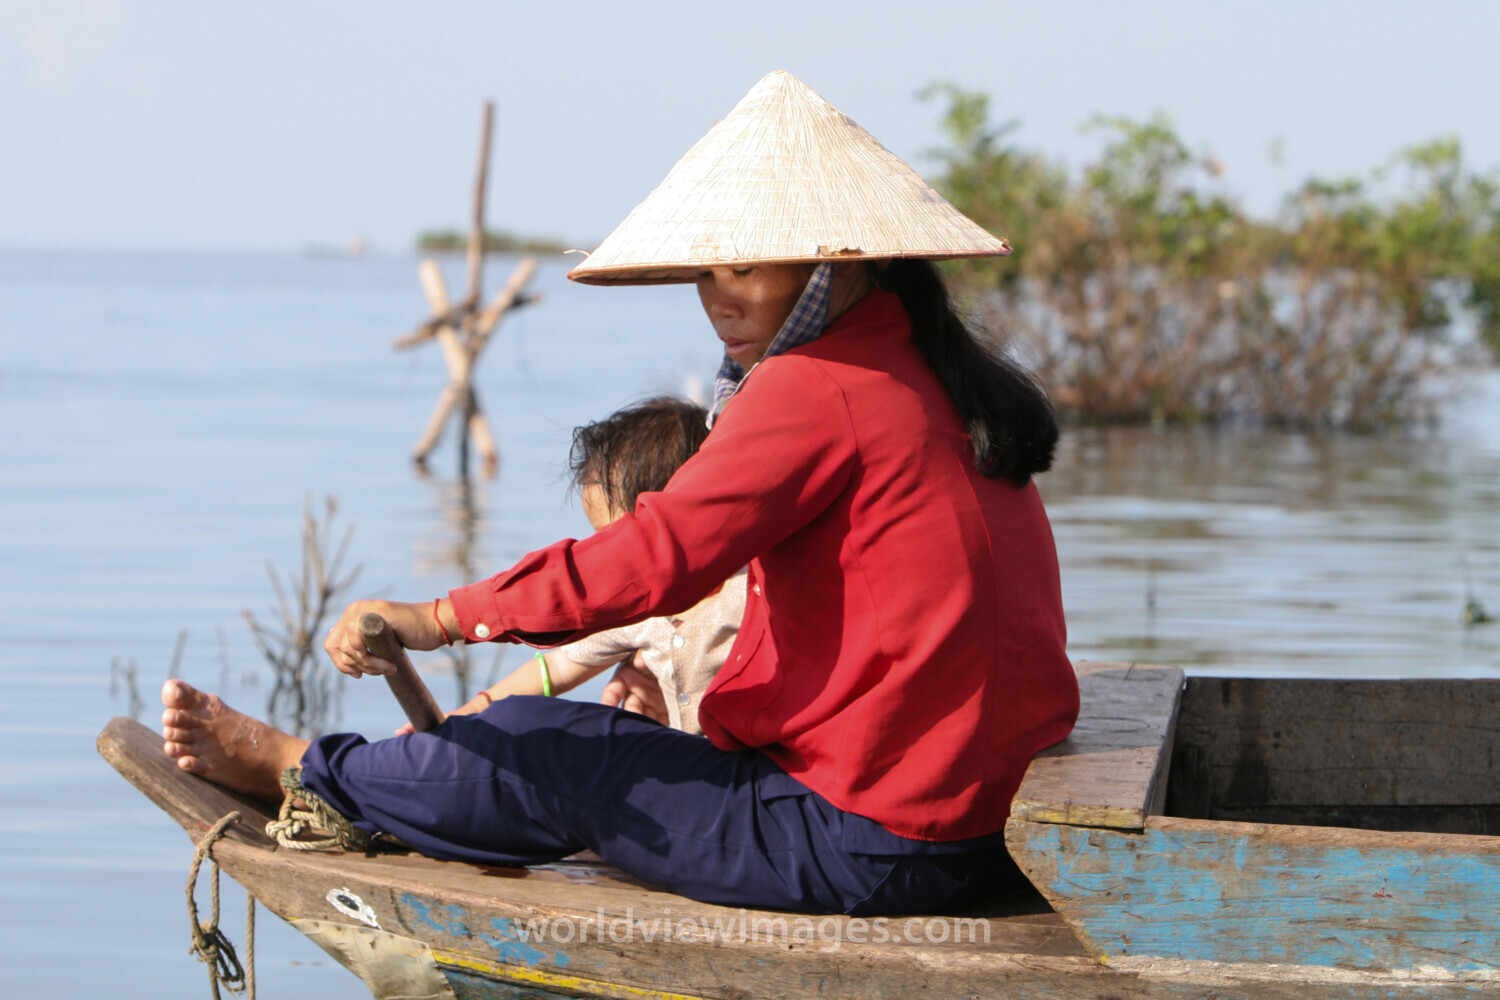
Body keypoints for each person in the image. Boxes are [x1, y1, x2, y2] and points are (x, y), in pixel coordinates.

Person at [162, 70, 1079, 917]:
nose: (720, 296)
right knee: (592, 734)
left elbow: (648, 563)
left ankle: (303, 769)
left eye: (748, 267)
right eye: (709, 270)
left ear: (835, 263)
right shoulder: (924, 373)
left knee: (540, 746)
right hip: (970, 824)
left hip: (882, 841)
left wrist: (439, 616)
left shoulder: (817, 387)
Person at [406, 396, 745, 735]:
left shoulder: (746, 593)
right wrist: (465, 716)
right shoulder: (634, 608)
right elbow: (558, 665)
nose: (595, 558)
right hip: (693, 764)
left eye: (609, 540)